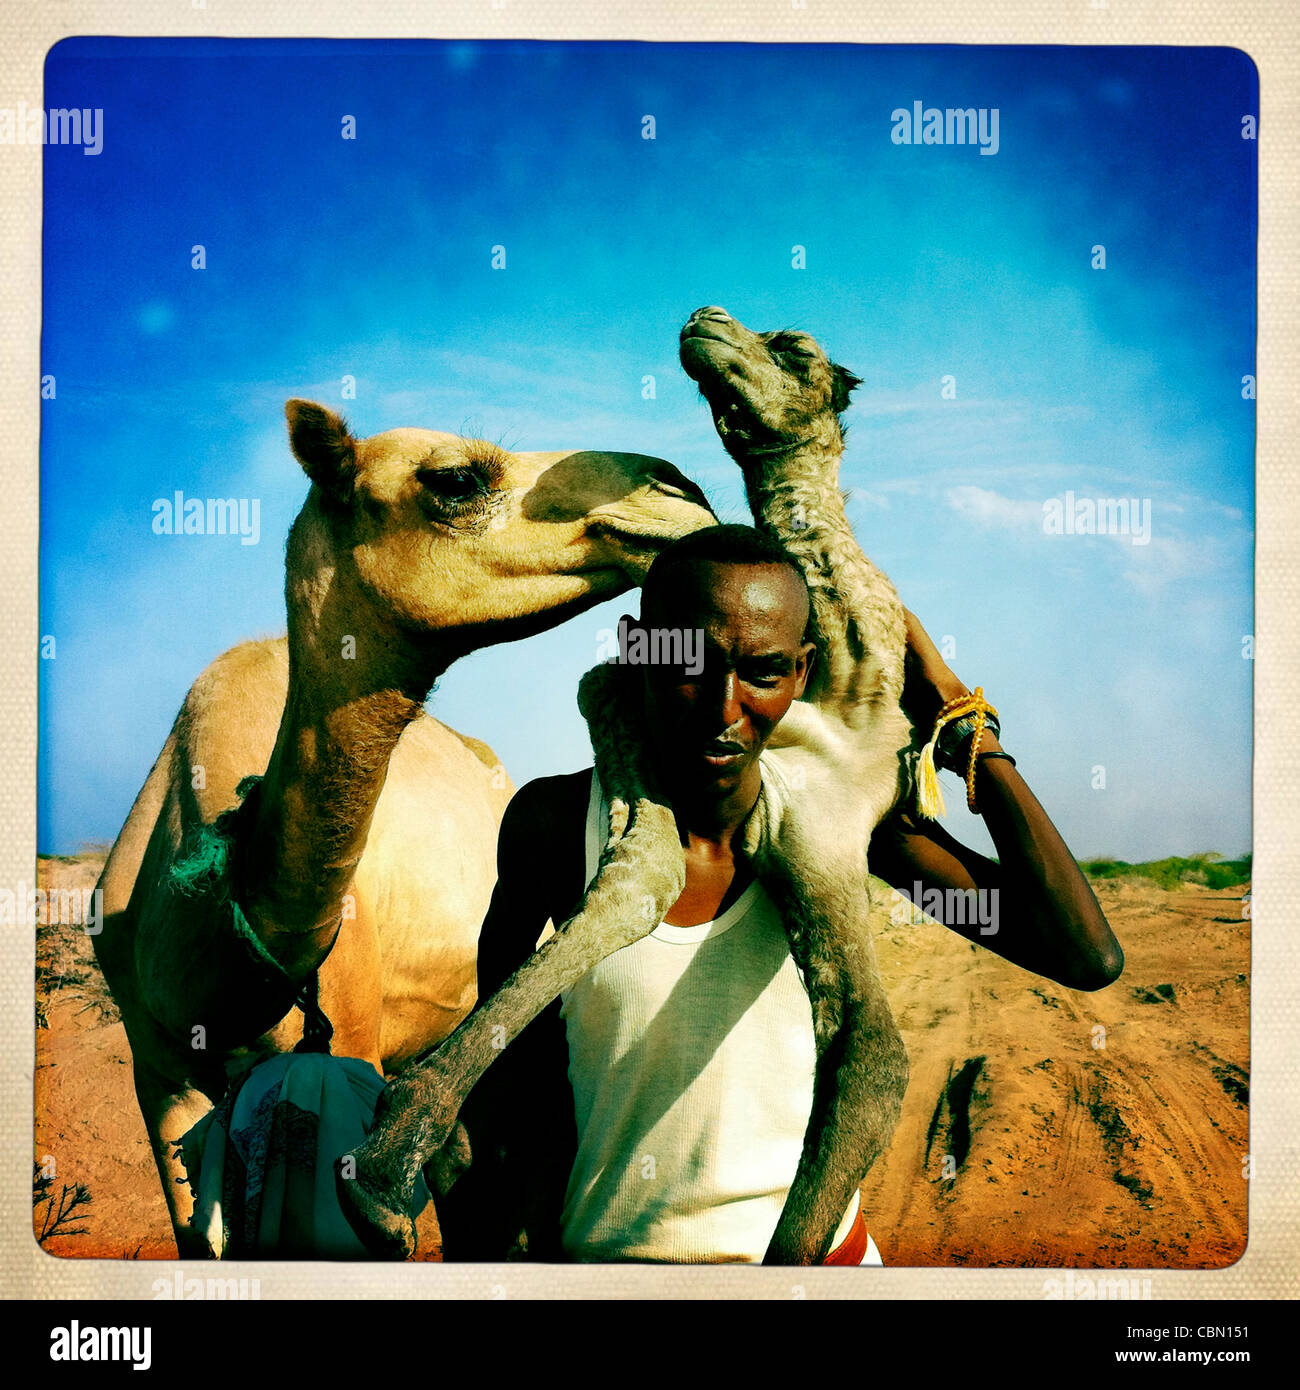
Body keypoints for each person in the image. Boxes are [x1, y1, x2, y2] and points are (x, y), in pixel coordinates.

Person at [434, 524, 1123, 1265]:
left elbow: (1083, 952)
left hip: (817, 1274)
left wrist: (961, 723)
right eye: (687, 664)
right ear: (636, 649)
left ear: (803, 673)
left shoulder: (839, 823)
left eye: (762, 673)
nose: (723, 709)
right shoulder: (558, 824)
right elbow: (501, 1072)